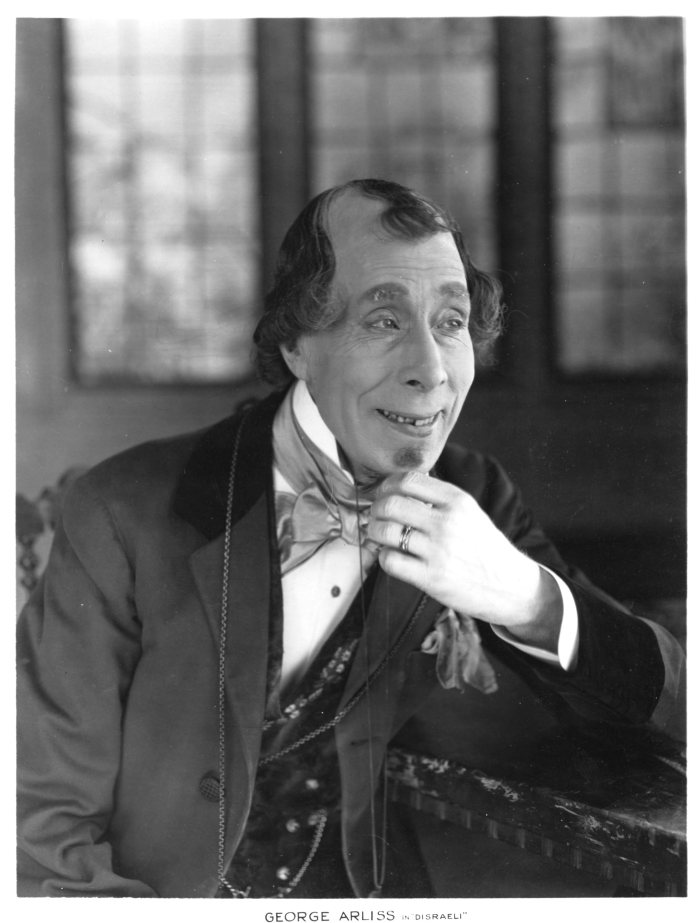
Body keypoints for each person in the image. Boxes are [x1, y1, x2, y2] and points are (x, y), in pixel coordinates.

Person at [17, 178, 685, 898]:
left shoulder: (473, 494)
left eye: (451, 322)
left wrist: (524, 595)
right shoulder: (125, 508)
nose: (431, 370)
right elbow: (43, 829)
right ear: (297, 343)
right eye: (384, 320)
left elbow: (670, 706)